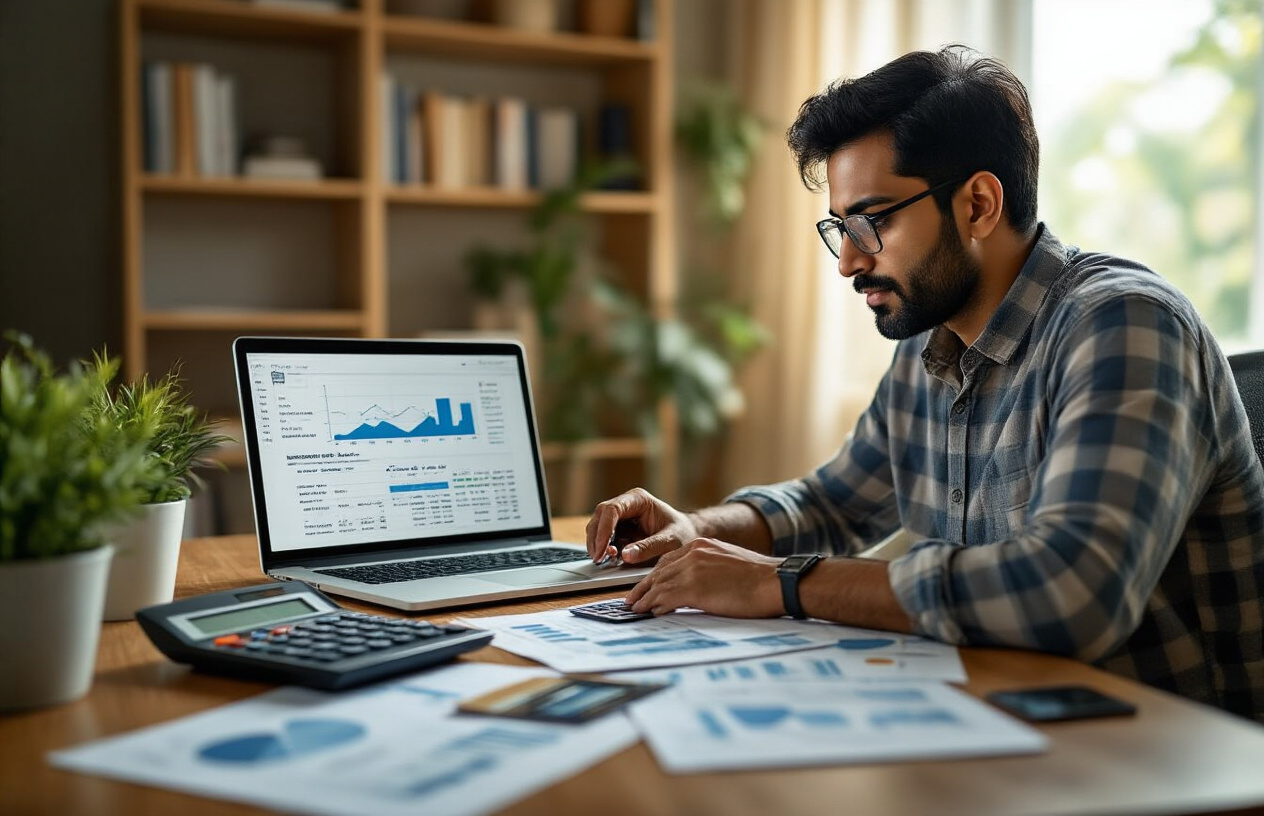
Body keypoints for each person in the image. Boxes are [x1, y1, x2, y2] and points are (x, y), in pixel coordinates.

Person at [585, 45, 1264, 721]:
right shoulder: (931, 341)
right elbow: (834, 504)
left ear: (978, 206)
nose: (848, 261)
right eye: (840, 227)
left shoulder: (1124, 325)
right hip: (998, 719)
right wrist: (696, 531)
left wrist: (782, 583)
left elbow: (1070, 594)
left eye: (872, 221)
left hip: (1178, 750)